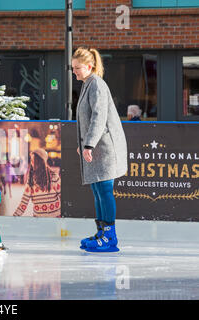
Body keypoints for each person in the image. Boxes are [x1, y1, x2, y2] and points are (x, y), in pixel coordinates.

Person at [72, 47, 128, 253]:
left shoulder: (97, 85)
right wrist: (85, 143)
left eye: (77, 68)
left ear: (90, 66)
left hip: (105, 147)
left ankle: (110, 237)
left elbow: (99, 116)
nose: (74, 71)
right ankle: (101, 233)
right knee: (97, 190)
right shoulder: (88, 84)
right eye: (73, 68)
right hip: (97, 146)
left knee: (104, 190)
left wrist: (89, 144)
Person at [13, 148, 61, 218]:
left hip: (55, 218)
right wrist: (13, 218)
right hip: (39, 220)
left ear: (40, 162)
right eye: (31, 161)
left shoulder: (54, 177)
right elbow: (23, 203)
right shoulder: (31, 181)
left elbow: (62, 197)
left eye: (33, 161)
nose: (32, 163)